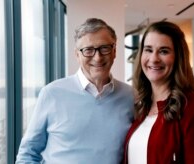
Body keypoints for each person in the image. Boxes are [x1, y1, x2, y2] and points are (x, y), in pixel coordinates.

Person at [16, 18, 135, 164]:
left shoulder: (131, 96)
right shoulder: (52, 93)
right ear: (77, 55)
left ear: (114, 51)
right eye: (88, 50)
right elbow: (27, 154)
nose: (97, 57)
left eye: (104, 48)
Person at [123, 21, 194, 164]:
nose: (154, 59)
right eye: (148, 50)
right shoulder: (140, 107)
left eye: (163, 51)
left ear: (178, 58)